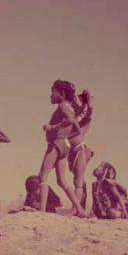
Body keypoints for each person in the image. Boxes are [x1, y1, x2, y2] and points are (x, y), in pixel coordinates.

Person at [38, 80, 89, 217]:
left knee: (42, 176)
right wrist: (65, 134)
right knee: (61, 180)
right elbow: (77, 129)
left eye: (52, 92)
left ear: (61, 94)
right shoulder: (69, 107)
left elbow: (70, 121)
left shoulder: (62, 106)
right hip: (64, 144)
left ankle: (41, 212)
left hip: (56, 144)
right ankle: (79, 209)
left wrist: (52, 128)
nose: (50, 96)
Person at [68, 88, 95, 210]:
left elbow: (89, 112)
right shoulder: (72, 117)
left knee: (78, 181)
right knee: (79, 180)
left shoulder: (84, 119)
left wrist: (87, 100)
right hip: (71, 152)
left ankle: (76, 209)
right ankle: (81, 207)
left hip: (79, 150)